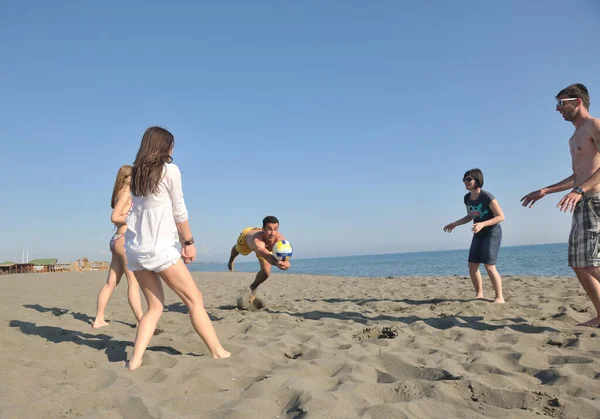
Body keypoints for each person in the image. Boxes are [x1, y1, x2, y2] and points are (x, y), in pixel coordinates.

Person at [124, 126, 230, 370]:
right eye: (171, 145)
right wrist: (189, 242)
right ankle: (217, 351)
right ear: (164, 147)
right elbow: (179, 210)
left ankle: (135, 360)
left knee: (154, 307)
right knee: (194, 300)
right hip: (160, 250)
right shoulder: (169, 171)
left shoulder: (136, 177)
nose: (173, 149)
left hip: (136, 251)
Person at [521, 83, 600, 326]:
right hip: (581, 201)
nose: (558, 109)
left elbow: (587, 179)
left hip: (595, 200)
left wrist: (580, 190)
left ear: (577, 101)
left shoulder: (595, 125)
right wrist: (547, 190)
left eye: (561, 103)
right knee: (578, 263)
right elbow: (578, 175)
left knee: (588, 261)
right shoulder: (573, 137)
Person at [92, 165, 143, 328]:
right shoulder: (126, 194)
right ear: (126, 178)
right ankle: (141, 320)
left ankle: (99, 319)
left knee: (111, 283)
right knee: (133, 282)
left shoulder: (118, 194)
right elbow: (114, 217)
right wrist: (134, 220)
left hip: (116, 240)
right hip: (123, 239)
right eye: (134, 176)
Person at [443, 168, 506, 303]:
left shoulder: (487, 197)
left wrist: (482, 224)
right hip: (478, 234)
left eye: (468, 179)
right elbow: (471, 216)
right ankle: (479, 294)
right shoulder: (467, 198)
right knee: (472, 265)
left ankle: (499, 297)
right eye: (464, 180)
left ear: (477, 180)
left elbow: (501, 217)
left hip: (492, 233)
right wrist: (455, 223)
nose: (465, 182)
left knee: (489, 266)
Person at [228, 216, 291, 304]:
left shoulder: (280, 240)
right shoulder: (257, 241)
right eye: (269, 229)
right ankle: (231, 259)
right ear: (263, 229)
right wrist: (277, 263)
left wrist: (286, 262)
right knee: (238, 250)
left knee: (266, 272)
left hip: (264, 250)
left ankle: (252, 287)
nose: (273, 233)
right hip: (246, 240)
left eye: (275, 229)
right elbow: (267, 256)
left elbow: (284, 254)